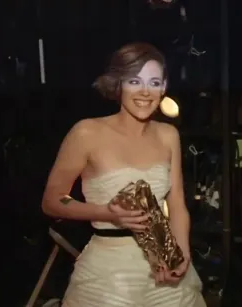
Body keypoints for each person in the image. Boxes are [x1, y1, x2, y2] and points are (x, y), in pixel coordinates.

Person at [41, 42, 206, 307]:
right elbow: (52, 201)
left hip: (164, 272)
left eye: (154, 82)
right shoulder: (86, 133)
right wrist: (106, 213)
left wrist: (182, 254)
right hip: (108, 276)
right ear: (119, 84)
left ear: (164, 88)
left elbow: (176, 205)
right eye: (134, 80)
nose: (145, 91)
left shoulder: (168, 135)